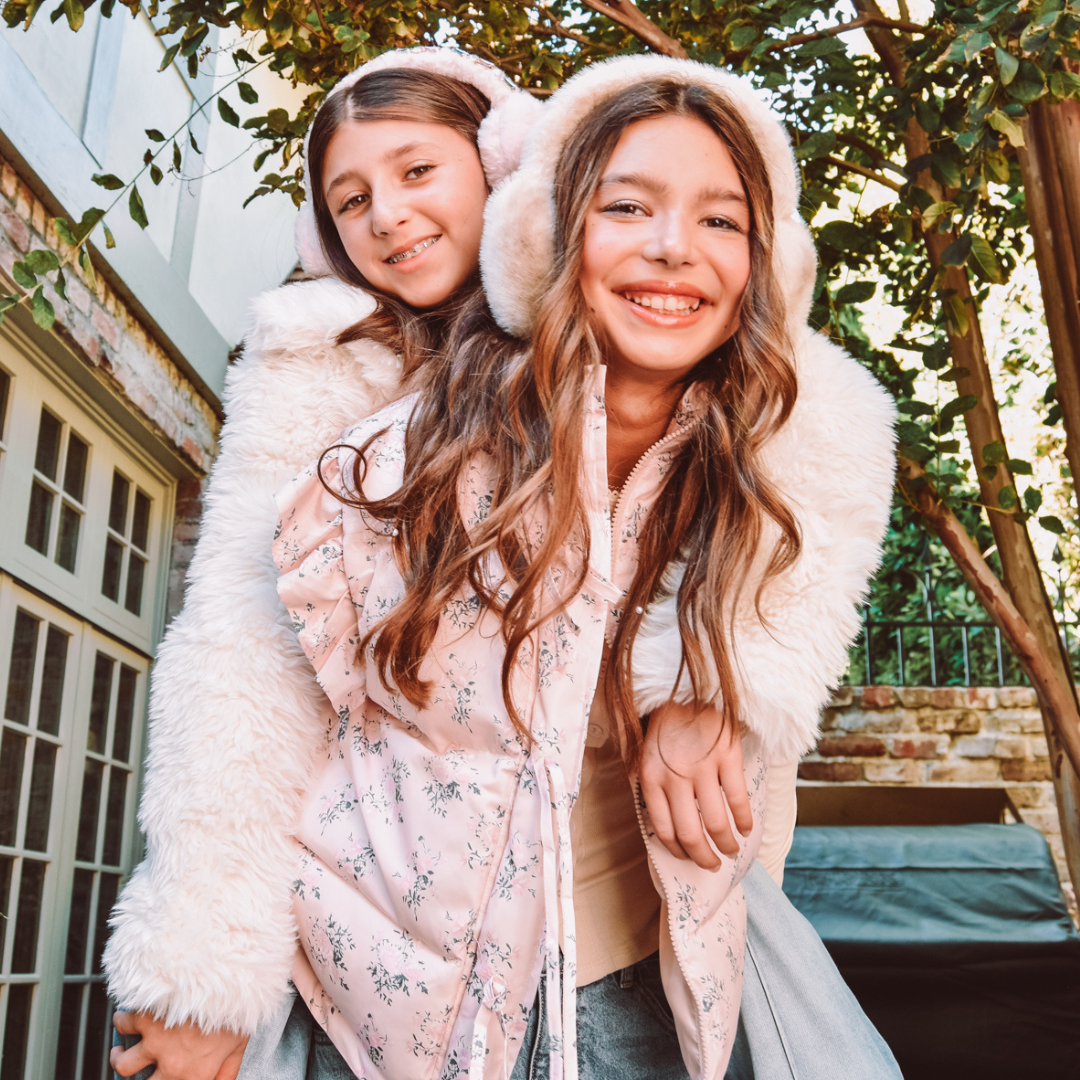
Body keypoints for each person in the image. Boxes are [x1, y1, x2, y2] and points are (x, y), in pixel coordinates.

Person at [270, 55, 898, 1080]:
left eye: (720, 221)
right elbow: (275, 723)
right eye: (627, 206)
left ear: (762, 263)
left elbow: (836, 450)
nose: (670, 249)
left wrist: (711, 685)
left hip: (639, 992)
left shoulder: (775, 483)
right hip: (378, 1018)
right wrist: (215, 964)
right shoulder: (391, 462)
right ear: (554, 235)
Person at [105, 47, 540, 1080]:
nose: (385, 213)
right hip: (369, 936)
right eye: (350, 199)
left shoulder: (610, 323)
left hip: (611, 941)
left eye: (416, 170)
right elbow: (244, 657)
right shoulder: (314, 368)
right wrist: (205, 965)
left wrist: (709, 690)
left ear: (499, 163)